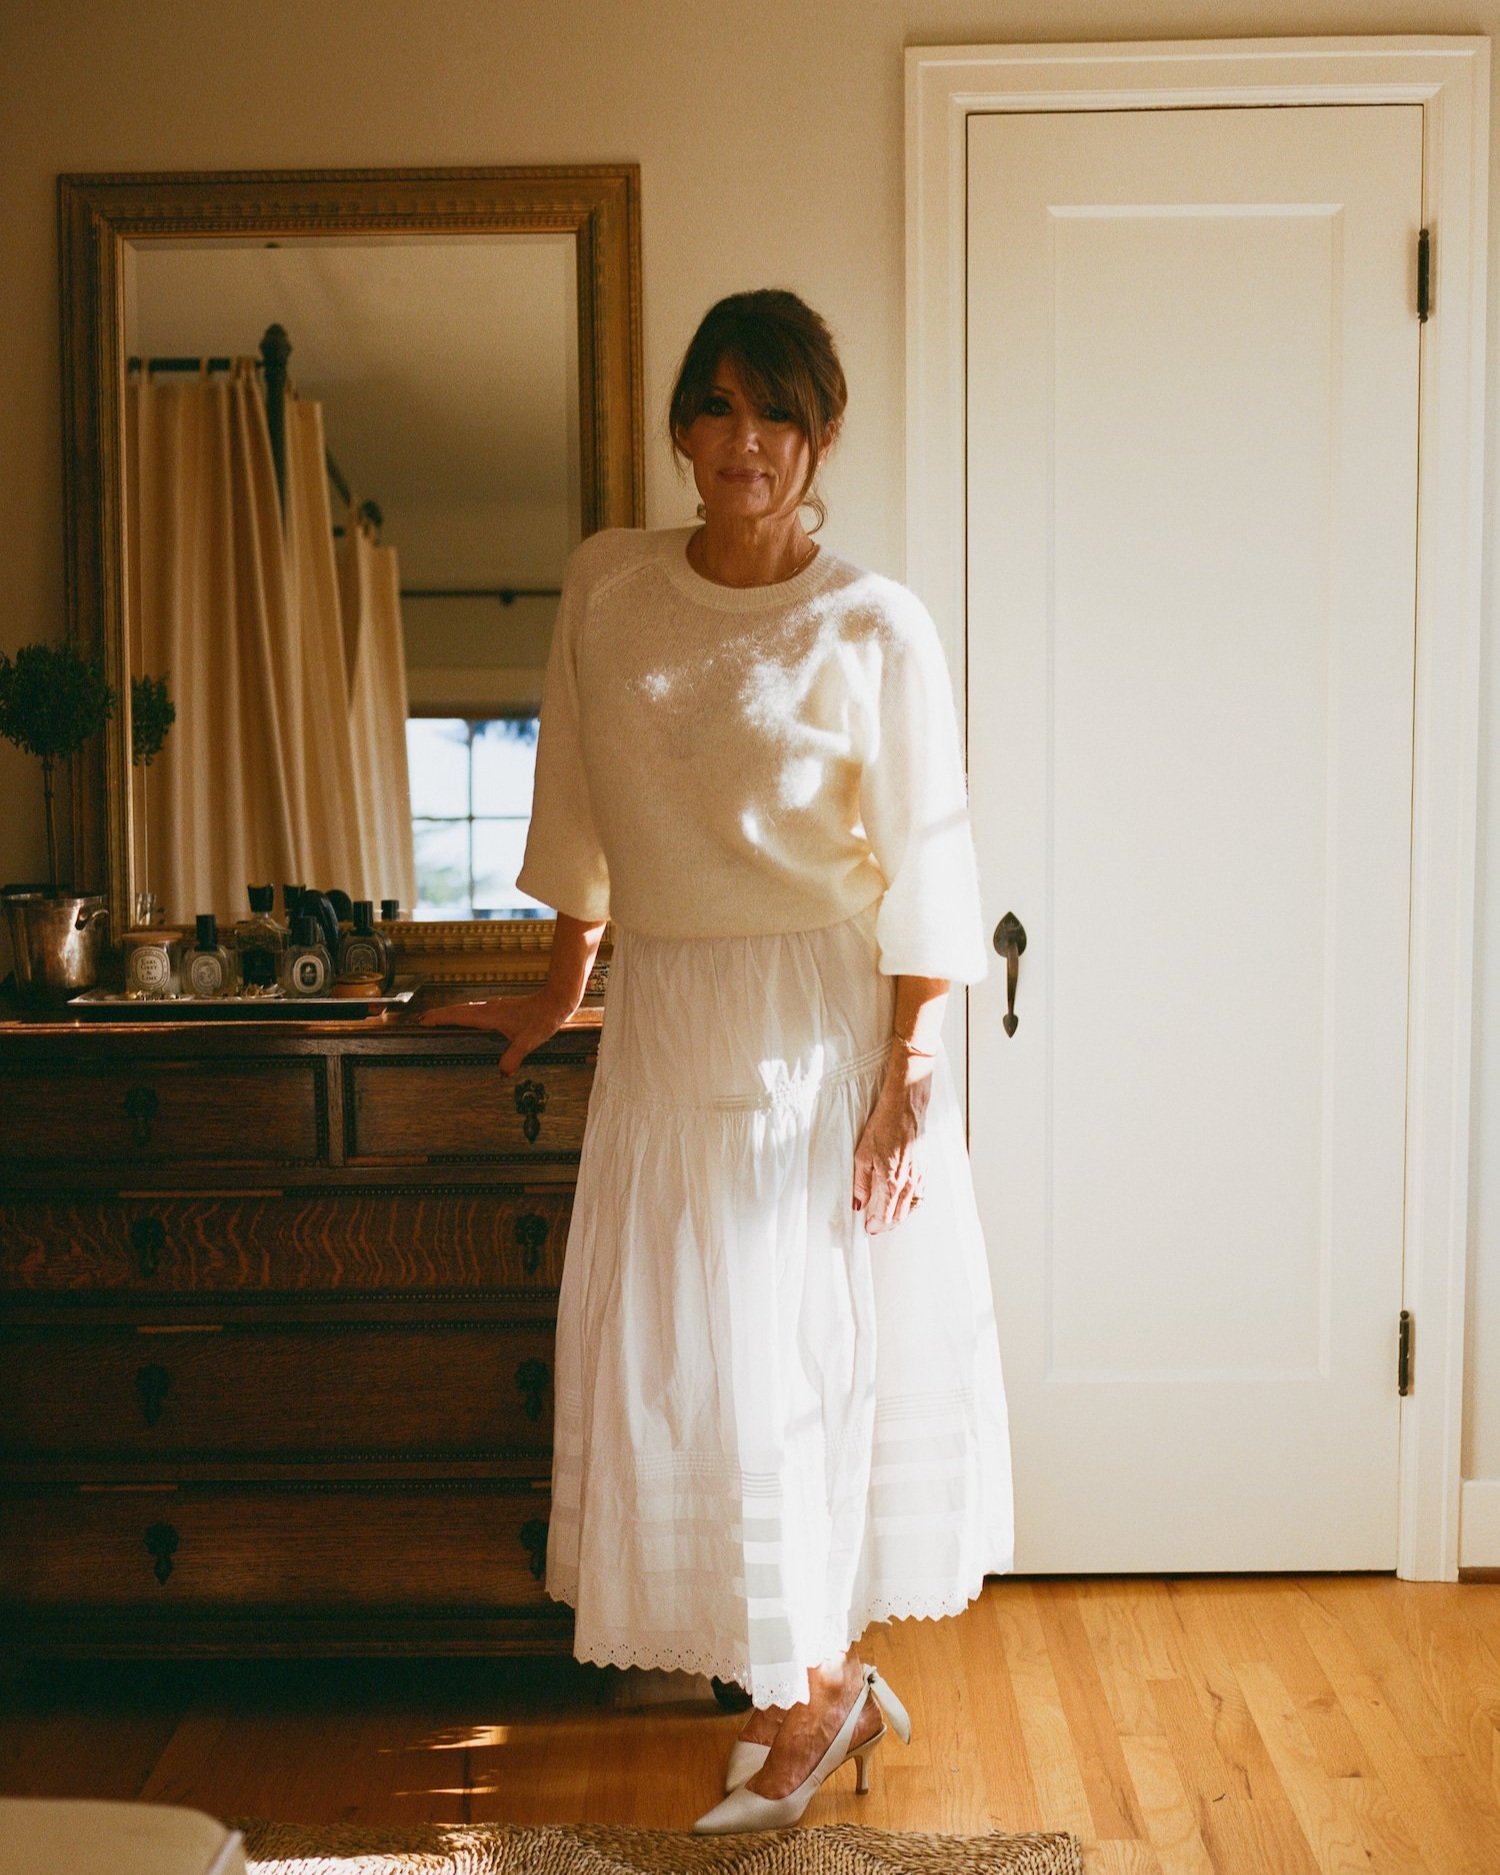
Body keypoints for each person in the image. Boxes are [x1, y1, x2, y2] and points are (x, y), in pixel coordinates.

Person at [420, 288, 1013, 1834]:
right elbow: (577, 799)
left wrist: (910, 1067)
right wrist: (561, 985)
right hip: (669, 1023)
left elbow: (931, 860)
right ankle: (815, 1685)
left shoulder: (874, 622)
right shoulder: (609, 585)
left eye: (777, 414)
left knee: (794, 1369)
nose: (745, 441)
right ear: (683, 426)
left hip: (817, 1027)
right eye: (718, 407)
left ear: (819, 437)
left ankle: (808, 1700)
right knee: (701, 1376)